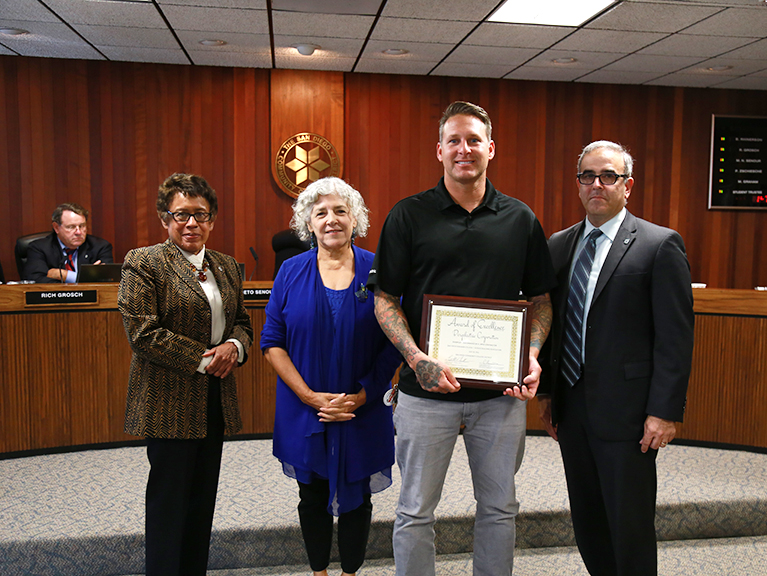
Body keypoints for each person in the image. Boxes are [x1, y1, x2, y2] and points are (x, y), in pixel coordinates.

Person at [368, 101, 556, 576]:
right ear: (439, 150)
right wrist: (415, 358)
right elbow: (384, 298)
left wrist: (530, 355)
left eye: (474, 140)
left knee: (499, 509)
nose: (464, 149)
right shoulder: (408, 215)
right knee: (415, 512)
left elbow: (541, 299)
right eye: (454, 140)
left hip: (499, 396)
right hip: (424, 392)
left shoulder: (520, 219)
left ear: (490, 149)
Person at [537, 141, 694, 576]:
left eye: (608, 176)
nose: (596, 185)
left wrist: (663, 412)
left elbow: (675, 339)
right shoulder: (559, 244)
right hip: (573, 410)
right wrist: (549, 395)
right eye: (587, 176)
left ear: (628, 185)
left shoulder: (659, 245)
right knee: (588, 521)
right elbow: (553, 324)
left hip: (630, 416)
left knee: (630, 525)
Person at [260, 177, 402, 576]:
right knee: (312, 493)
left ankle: (350, 572)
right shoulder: (290, 271)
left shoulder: (379, 268)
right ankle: (319, 572)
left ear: (355, 218)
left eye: (340, 210)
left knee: (358, 495)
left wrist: (359, 396)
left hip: (364, 406)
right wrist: (310, 397)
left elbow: (394, 342)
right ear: (308, 222)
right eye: (321, 212)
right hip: (306, 410)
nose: (331, 219)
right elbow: (272, 341)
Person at [118, 173, 252, 576]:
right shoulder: (144, 262)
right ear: (165, 219)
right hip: (168, 401)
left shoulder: (226, 266)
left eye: (201, 214)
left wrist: (236, 347)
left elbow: (242, 321)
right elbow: (143, 332)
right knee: (168, 504)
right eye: (181, 215)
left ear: (212, 219)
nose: (192, 223)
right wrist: (206, 359)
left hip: (214, 401)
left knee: (201, 502)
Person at [23, 202, 113, 283]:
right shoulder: (39, 248)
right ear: (56, 228)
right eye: (71, 227)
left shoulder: (100, 247)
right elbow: (35, 281)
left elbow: (108, 281)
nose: (78, 232)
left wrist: (63, 275)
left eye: (82, 226)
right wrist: (88, 278)